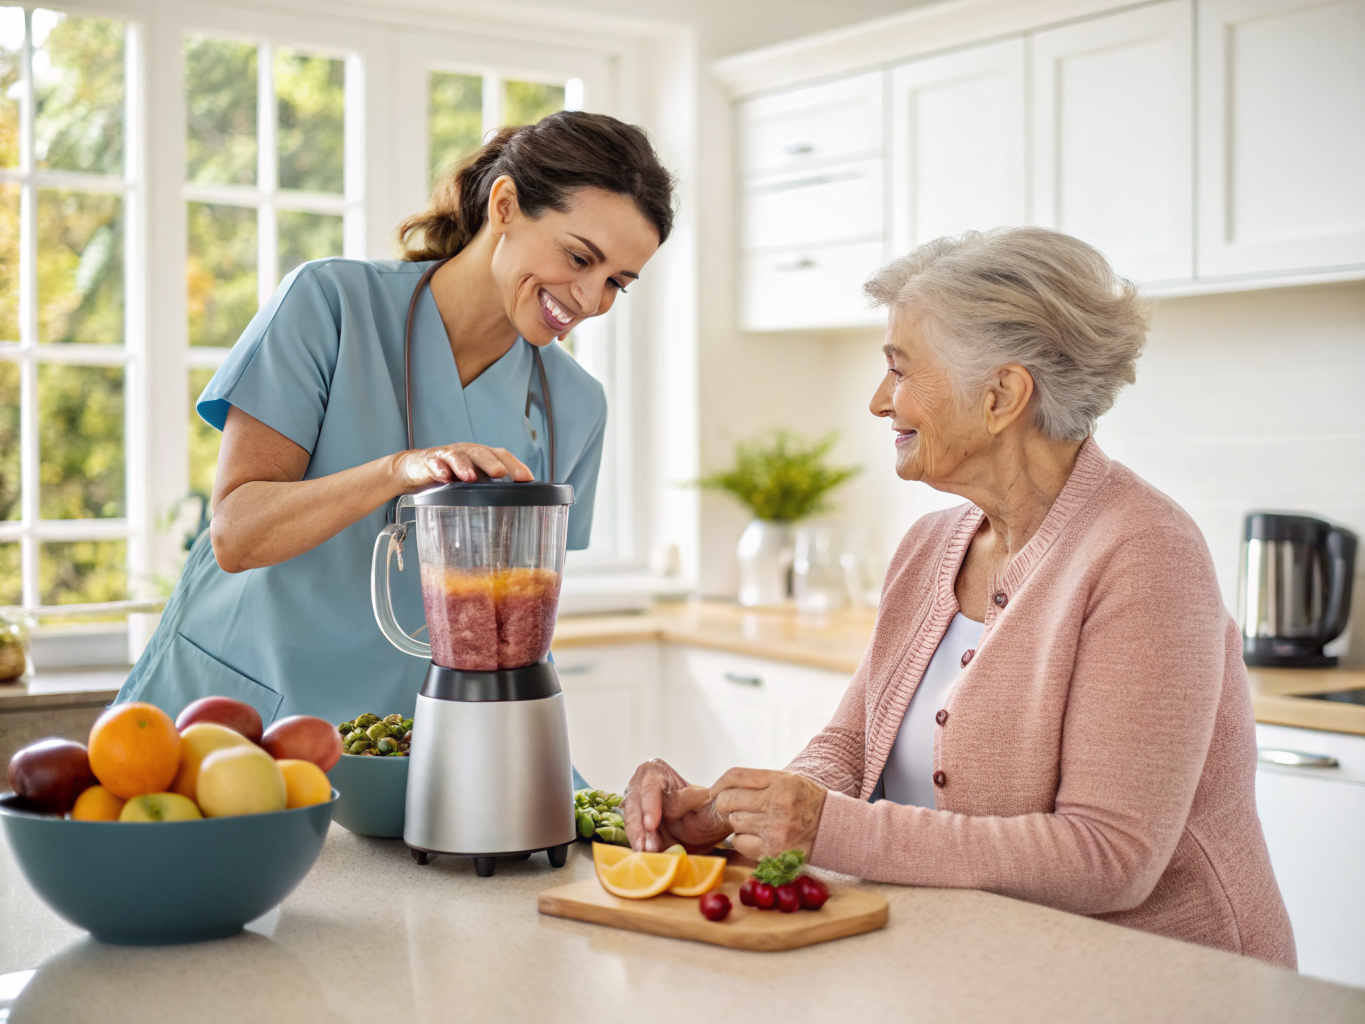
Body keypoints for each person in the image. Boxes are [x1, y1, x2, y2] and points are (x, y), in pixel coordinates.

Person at [621, 228, 1296, 967]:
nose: (880, 401)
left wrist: (826, 830)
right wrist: (736, 812)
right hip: (991, 967)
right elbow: (851, 749)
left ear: (1001, 395)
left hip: (1166, 982)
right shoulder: (930, 546)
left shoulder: (1144, 554)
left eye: (899, 370)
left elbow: (1111, 855)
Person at [118, 112, 674, 727]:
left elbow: (513, 627)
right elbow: (237, 536)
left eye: (617, 283)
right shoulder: (330, 304)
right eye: (578, 257)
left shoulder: (575, 406)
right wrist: (398, 471)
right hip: (230, 709)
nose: (590, 299)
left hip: (395, 741)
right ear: (507, 204)